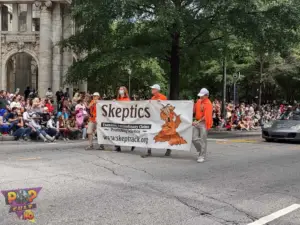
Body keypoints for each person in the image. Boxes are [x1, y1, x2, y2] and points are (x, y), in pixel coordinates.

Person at [142, 84, 170, 158]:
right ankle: (149, 151)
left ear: (157, 90)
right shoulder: (153, 98)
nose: (152, 90)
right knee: (150, 133)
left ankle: (168, 148)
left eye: (153, 89)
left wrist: (161, 102)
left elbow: (167, 107)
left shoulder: (163, 97)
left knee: (164, 134)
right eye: (152, 89)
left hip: (161, 119)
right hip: (154, 119)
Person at [192, 88, 213, 163]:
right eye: (200, 95)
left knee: (203, 139)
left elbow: (206, 116)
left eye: (202, 96)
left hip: (204, 123)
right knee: (194, 139)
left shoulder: (208, 104)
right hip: (197, 121)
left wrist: (197, 121)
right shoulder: (198, 101)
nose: (200, 97)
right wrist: (191, 104)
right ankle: (201, 150)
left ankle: (202, 155)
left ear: (207, 95)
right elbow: (194, 111)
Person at [114, 86, 133, 152]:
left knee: (127, 132)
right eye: (119, 89)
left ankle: (133, 143)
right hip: (119, 118)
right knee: (117, 131)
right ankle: (117, 146)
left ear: (125, 91)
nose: (120, 90)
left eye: (121, 89)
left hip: (125, 118)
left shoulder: (127, 99)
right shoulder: (118, 99)